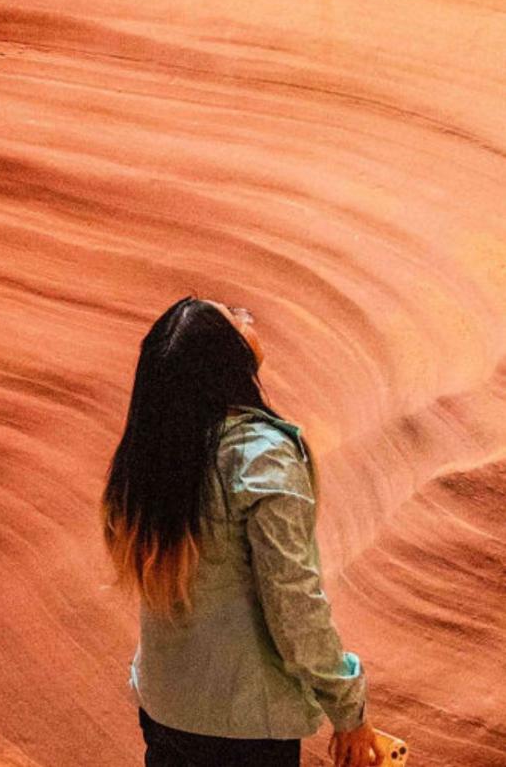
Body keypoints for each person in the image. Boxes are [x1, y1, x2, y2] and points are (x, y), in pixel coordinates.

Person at [101, 297, 378, 767]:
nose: (248, 316)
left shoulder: (150, 454)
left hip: (165, 706)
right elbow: (294, 602)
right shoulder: (262, 459)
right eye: (234, 316)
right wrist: (348, 708)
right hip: (243, 727)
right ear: (222, 356)